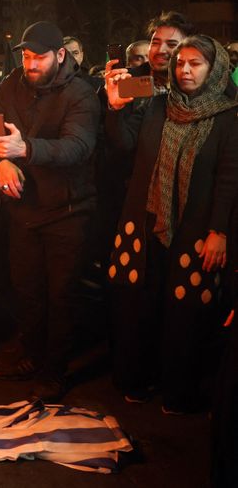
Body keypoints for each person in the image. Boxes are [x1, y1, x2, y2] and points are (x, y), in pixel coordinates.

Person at [104, 35, 238, 414]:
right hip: (147, 223)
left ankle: (179, 392)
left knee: (185, 313)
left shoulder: (227, 117)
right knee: (140, 304)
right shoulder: (157, 106)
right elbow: (124, 146)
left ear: (214, 69)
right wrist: (115, 109)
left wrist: (219, 231)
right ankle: (136, 380)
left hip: (195, 228)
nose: (185, 70)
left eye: (195, 63)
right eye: (180, 63)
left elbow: (229, 178)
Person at [0, 21, 100, 402]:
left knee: (61, 295)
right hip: (24, 210)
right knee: (28, 289)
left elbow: (77, 147)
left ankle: (55, 371)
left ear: (60, 55)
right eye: (27, 57)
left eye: (39, 57)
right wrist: (1, 162)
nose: (31, 65)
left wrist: (25, 149)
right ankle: (31, 355)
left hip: (68, 211)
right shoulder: (10, 85)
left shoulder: (81, 93)